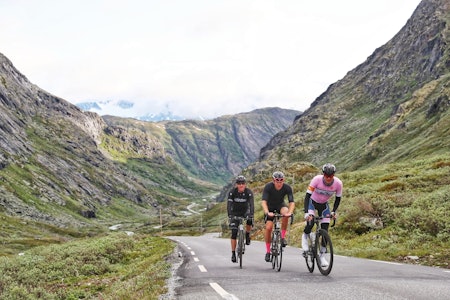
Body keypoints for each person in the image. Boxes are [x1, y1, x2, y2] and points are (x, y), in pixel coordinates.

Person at [302, 163, 343, 267]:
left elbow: (338, 199)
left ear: (334, 175)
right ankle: (305, 238)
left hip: (324, 205)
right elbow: (307, 196)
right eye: (326, 176)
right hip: (312, 203)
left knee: (325, 230)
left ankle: (322, 256)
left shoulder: (338, 183)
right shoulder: (316, 179)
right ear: (323, 174)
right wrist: (307, 212)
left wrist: (333, 211)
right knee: (310, 223)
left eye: (331, 176)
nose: (328, 178)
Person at [261, 171, 295, 262]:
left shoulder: (287, 187)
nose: (279, 183)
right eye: (277, 181)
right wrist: (267, 212)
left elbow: (291, 202)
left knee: (286, 213)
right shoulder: (268, 187)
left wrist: (290, 212)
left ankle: (282, 238)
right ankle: (268, 251)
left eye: (281, 181)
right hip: (270, 207)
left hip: (280, 205)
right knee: (268, 228)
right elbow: (264, 202)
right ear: (273, 180)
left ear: (283, 180)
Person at [227, 175, 254, 263]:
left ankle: (247, 234)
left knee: (250, 220)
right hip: (235, 213)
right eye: (239, 183)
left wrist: (251, 214)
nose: (241, 185)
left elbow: (251, 204)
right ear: (236, 184)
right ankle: (233, 253)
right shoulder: (232, 192)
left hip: (245, 212)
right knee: (234, 233)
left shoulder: (248, 192)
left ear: (245, 184)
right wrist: (230, 215)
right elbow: (229, 205)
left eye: (243, 183)